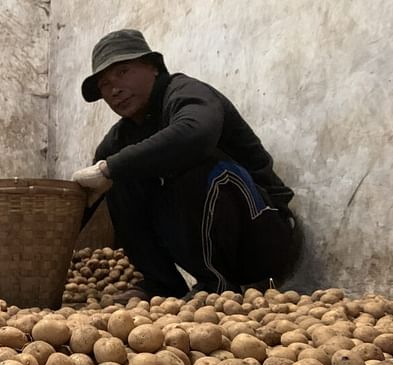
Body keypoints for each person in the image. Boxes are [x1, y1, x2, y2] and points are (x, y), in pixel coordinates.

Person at [72, 29, 300, 302]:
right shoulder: (120, 138)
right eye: (104, 85)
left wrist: (108, 168)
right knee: (119, 179)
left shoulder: (186, 93)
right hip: (207, 249)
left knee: (190, 162)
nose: (114, 90)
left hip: (264, 239)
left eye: (123, 72)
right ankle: (162, 284)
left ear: (154, 67)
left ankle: (216, 286)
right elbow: (83, 202)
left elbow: (196, 134)